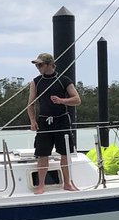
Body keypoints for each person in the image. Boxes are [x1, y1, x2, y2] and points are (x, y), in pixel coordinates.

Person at [27, 53, 81, 194]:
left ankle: (67, 183)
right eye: (37, 65)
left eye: (40, 65)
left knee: (65, 153)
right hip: (44, 121)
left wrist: (62, 101)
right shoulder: (36, 82)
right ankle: (41, 185)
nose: (38, 67)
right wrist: (32, 121)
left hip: (61, 120)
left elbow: (77, 100)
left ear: (49, 64)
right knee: (42, 153)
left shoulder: (63, 80)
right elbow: (30, 104)